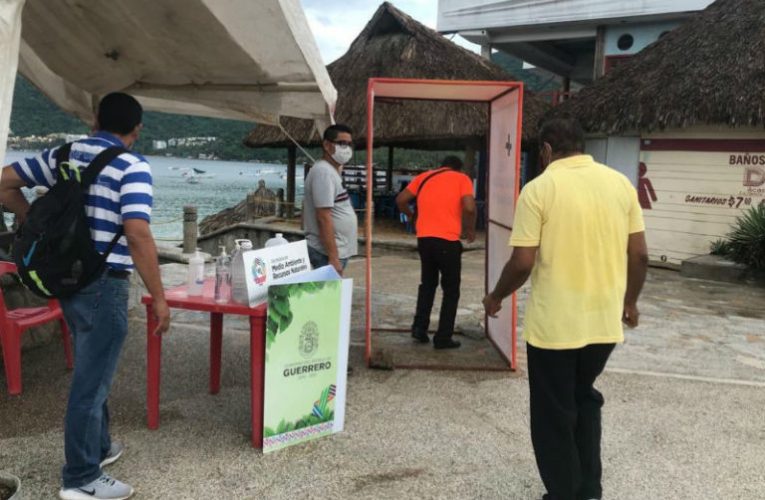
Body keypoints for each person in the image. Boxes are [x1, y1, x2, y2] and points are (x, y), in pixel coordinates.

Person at [0, 92, 170, 500]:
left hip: (70, 280)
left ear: (95, 120)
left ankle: (99, 447)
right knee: (91, 382)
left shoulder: (64, 154)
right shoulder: (132, 166)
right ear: (136, 130)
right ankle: (80, 478)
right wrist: (159, 297)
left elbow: (4, 181)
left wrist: (30, 220)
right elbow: (137, 232)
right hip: (105, 282)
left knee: (95, 367)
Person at [483, 117, 648, 500]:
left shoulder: (540, 189)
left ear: (545, 150)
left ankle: (565, 493)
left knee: (554, 411)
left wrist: (495, 297)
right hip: (603, 324)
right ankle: (588, 488)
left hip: (554, 328)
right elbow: (639, 254)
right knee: (583, 397)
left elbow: (523, 262)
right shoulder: (620, 184)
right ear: (583, 145)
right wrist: (630, 302)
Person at [396, 155, 476, 349]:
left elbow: (400, 200)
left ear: (441, 166)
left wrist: (412, 216)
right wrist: (470, 229)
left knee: (428, 285)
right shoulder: (461, 178)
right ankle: (443, 337)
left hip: (424, 239)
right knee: (451, 290)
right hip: (448, 241)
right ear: (459, 168)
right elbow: (469, 206)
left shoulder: (424, 177)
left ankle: (419, 328)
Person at [303, 124, 358, 276]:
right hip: (325, 254)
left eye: (349, 144)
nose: (346, 148)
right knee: (327, 298)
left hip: (335, 251)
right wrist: (333, 257)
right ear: (327, 145)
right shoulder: (323, 173)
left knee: (332, 298)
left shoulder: (331, 171)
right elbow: (323, 217)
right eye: (341, 143)